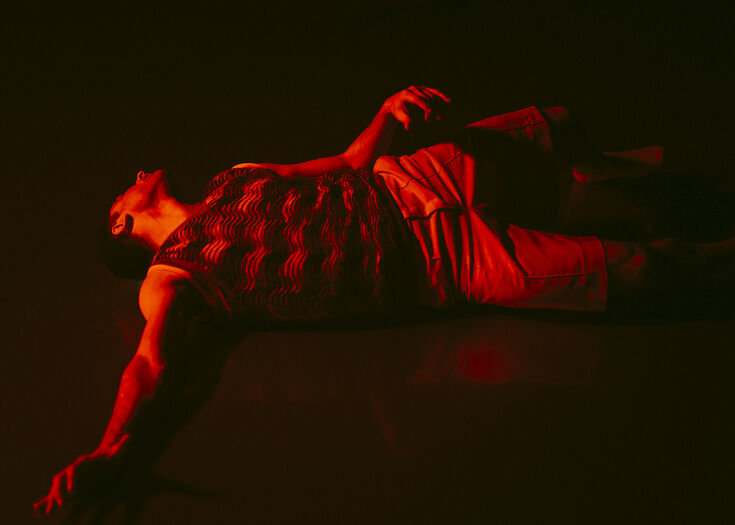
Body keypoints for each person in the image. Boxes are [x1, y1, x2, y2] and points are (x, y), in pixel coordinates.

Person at [34, 86, 735, 515]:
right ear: (121, 223)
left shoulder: (234, 177)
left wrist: (386, 112)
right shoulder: (170, 275)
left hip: (413, 179)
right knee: (640, 272)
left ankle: (602, 173)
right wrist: (110, 449)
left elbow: (345, 162)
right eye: (123, 189)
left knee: (553, 121)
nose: (135, 174)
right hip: (441, 262)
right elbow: (151, 363)